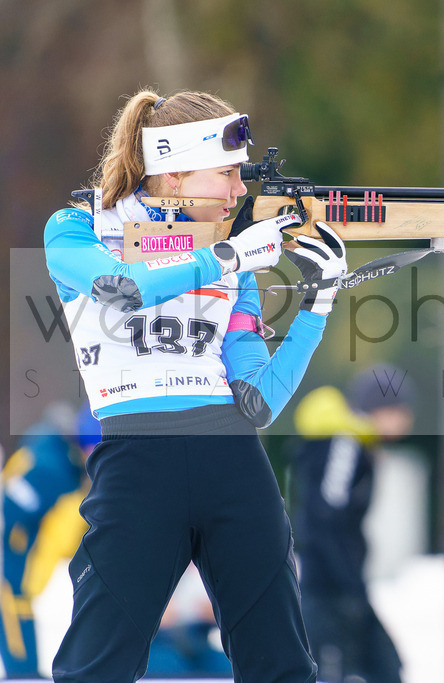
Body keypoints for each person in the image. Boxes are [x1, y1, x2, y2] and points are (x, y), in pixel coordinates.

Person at [42, 88, 350, 682]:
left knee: (282, 667)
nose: (240, 192)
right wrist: (229, 257)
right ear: (175, 171)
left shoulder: (235, 262)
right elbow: (121, 288)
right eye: (228, 174)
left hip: (234, 464)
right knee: (93, 668)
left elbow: (257, 400)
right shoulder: (77, 228)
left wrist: (318, 304)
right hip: (136, 464)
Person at [290, 365, 417, 683]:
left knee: (383, 667)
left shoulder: (354, 443)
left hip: (341, 586)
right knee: (356, 670)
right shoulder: (344, 443)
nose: (408, 419)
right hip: (331, 590)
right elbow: (326, 515)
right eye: (402, 409)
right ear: (381, 408)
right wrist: (348, 586)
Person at [2, 403, 99, 678]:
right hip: (13, 553)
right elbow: (11, 505)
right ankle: (24, 673)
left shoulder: (65, 464)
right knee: (13, 600)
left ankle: (26, 672)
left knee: (18, 599)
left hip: (23, 551)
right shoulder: (51, 467)